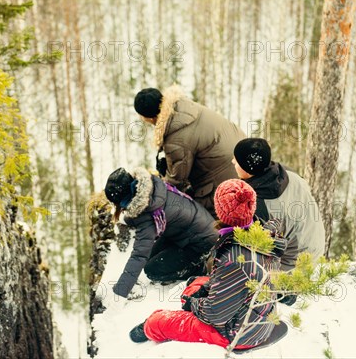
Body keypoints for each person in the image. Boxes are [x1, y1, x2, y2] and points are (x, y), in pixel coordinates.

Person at [128, 179, 287, 349]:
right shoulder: (263, 234)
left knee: (156, 322)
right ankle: (194, 299)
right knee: (196, 284)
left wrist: (194, 304)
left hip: (238, 333)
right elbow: (236, 279)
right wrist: (203, 291)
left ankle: (151, 327)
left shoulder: (234, 255)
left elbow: (215, 315)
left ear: (220, 211)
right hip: (258, 315)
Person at [104, 167, 218, 298]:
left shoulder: (146, 214)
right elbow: (139, 214)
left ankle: (202, 267)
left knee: (152, 271)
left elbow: (139, 255)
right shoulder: (150, 186)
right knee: (152, 257)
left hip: (202, 242)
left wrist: (120, 291)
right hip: (193, 229)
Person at [134, 86, 246, 216]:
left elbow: (176, 182)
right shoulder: (184, 107)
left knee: (198, 217)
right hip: (242, 158)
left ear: (148, 118)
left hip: (227, 179)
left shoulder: (175, 137)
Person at [232, 138, 325, 270]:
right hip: (316, 246)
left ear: (247, 169)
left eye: (236, 161)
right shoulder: (287, 174)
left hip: (295, 265)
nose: (232, 162)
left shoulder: (259, 204)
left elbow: (261, 249)